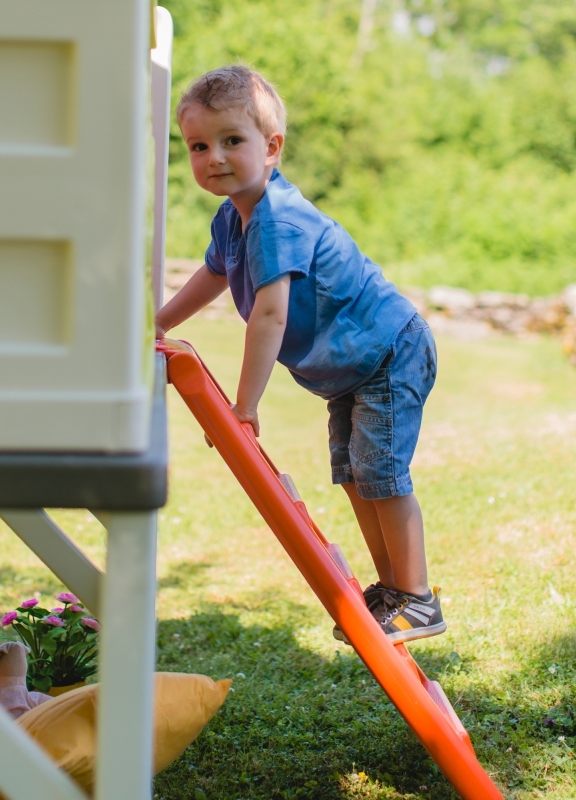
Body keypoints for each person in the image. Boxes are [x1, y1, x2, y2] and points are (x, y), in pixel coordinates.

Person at [155, 65, 445, 644]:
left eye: (232, 140)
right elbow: (213, 276)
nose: (214, 156)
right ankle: (392, 592)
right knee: (357, 477)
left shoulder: (278, 219)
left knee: (382, 474)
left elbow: (270, 313)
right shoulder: (231, 219)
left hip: (389, 352)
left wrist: (244, 405)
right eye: (198, 145)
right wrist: (155, 322)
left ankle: (418, 598)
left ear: (272, 147)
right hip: (353, 370)